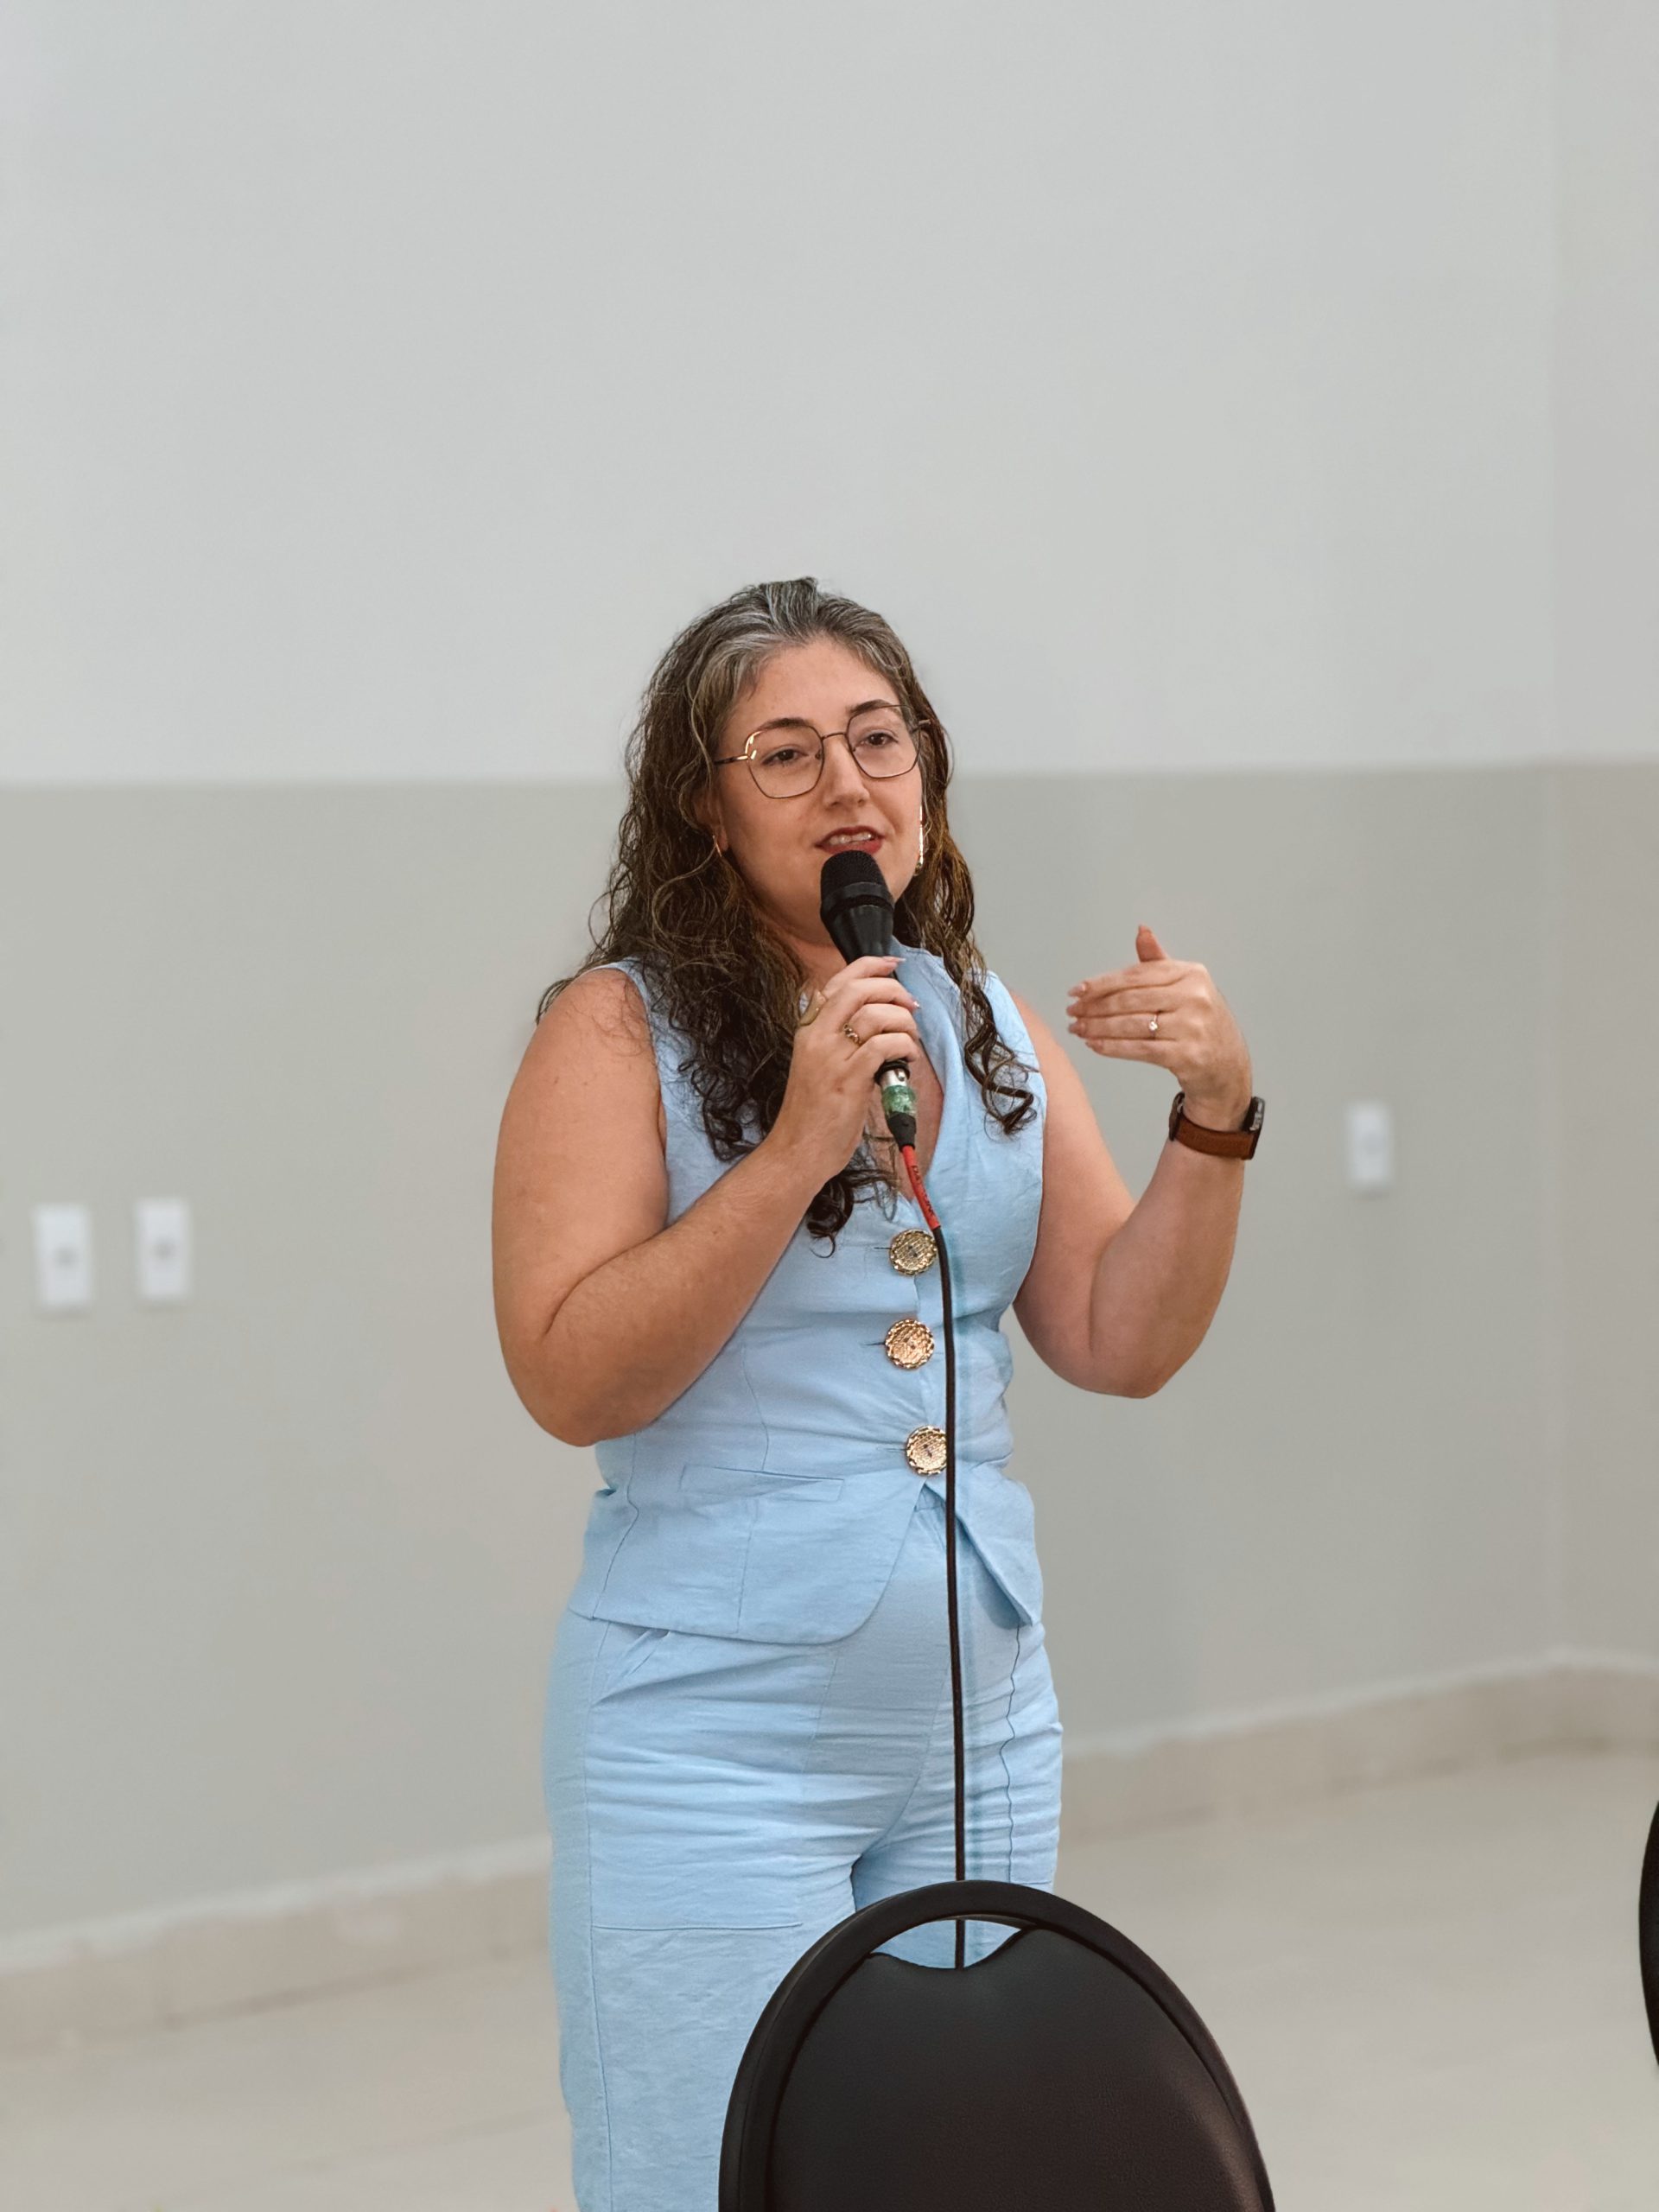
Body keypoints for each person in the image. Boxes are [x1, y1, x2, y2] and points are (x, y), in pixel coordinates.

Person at [491, 576, 1258, 2212]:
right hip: (712, 1739)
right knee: (707, 2180)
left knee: (961, 2172)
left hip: (979, 1727)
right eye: (787, 754)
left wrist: (1215, 1117)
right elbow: (569, 1375)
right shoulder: (615, 1029)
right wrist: (793, 1149)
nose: (848, 784)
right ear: (704, 808)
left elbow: (1117, 1338)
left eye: (878, 739)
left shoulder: (982, 1022)